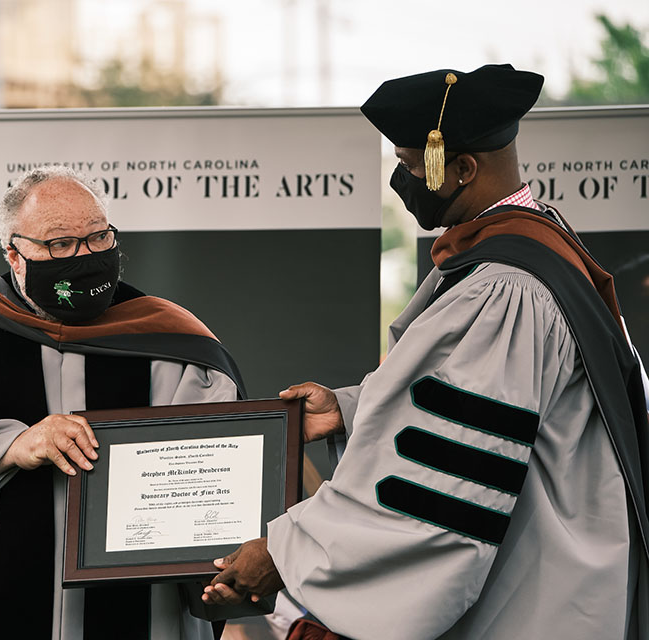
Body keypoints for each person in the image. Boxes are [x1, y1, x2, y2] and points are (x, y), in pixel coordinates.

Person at [202, 64, 649, 639]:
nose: (401, 181)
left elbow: (445, 481)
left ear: (461, 169)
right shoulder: (537, 246)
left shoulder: (505, 289)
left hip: (537, 595)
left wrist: (288, 551)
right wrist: (350, 408)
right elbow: (472, 404)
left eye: (412, 166)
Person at [0, 165, 246, 640]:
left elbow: (213, 484)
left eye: (98, 237)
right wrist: (8, 445)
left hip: (140, 614)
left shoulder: (176, 348)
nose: (85, 256)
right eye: (60, 244)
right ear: (14, 256)